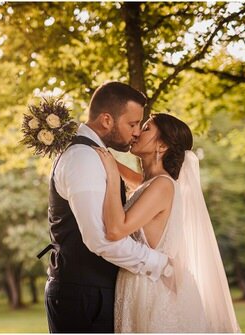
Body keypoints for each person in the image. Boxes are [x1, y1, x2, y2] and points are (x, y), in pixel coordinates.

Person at [42, 82, 172, 333]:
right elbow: (99, 240)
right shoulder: (83, 158)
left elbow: (147, 185)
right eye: (132, 124)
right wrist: (160, 264)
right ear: (106, 120)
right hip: (84, 296)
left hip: (93, 292)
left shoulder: (96, 155)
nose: (136, 132)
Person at [93, 113, 240, 332]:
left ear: (162, 146)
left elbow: (117, 230)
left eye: (146, 128)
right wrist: (98, 151)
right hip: (139, 283)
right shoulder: (152, 183)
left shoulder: (162, 186)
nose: (136, 133)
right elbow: (137, 180)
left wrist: (113, 177)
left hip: (152, 290)